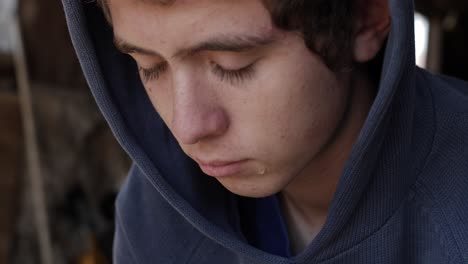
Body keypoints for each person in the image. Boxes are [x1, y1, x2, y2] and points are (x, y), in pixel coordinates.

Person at [62, 0, 468, 263]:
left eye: (231, 64)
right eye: (150, 67)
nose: (188, 128)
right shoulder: (154, 213)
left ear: (364, 17)